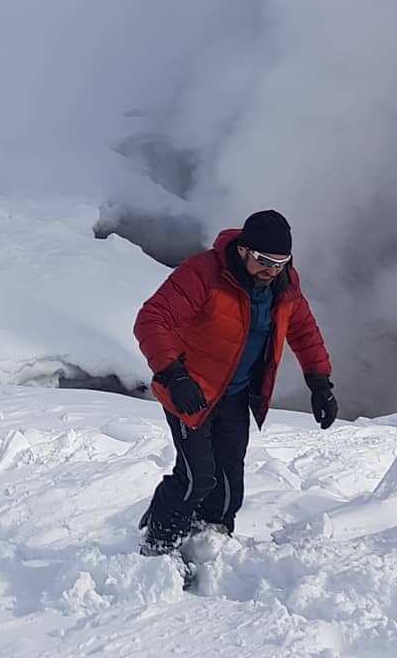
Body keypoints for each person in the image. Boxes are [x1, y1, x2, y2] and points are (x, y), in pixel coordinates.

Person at [133, 210, 338, 556]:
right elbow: (151, 319)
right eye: (263, 261)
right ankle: (159, 545)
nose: (271, 270)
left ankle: (209, 537)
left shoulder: (284, 283)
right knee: (198, 476)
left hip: (235, 394)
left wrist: (320, 383)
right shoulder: (204, 273)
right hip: (190, 392)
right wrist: (173, 374)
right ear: (243, 250)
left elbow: (303, 330)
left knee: (229, 480)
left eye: (280, 262)